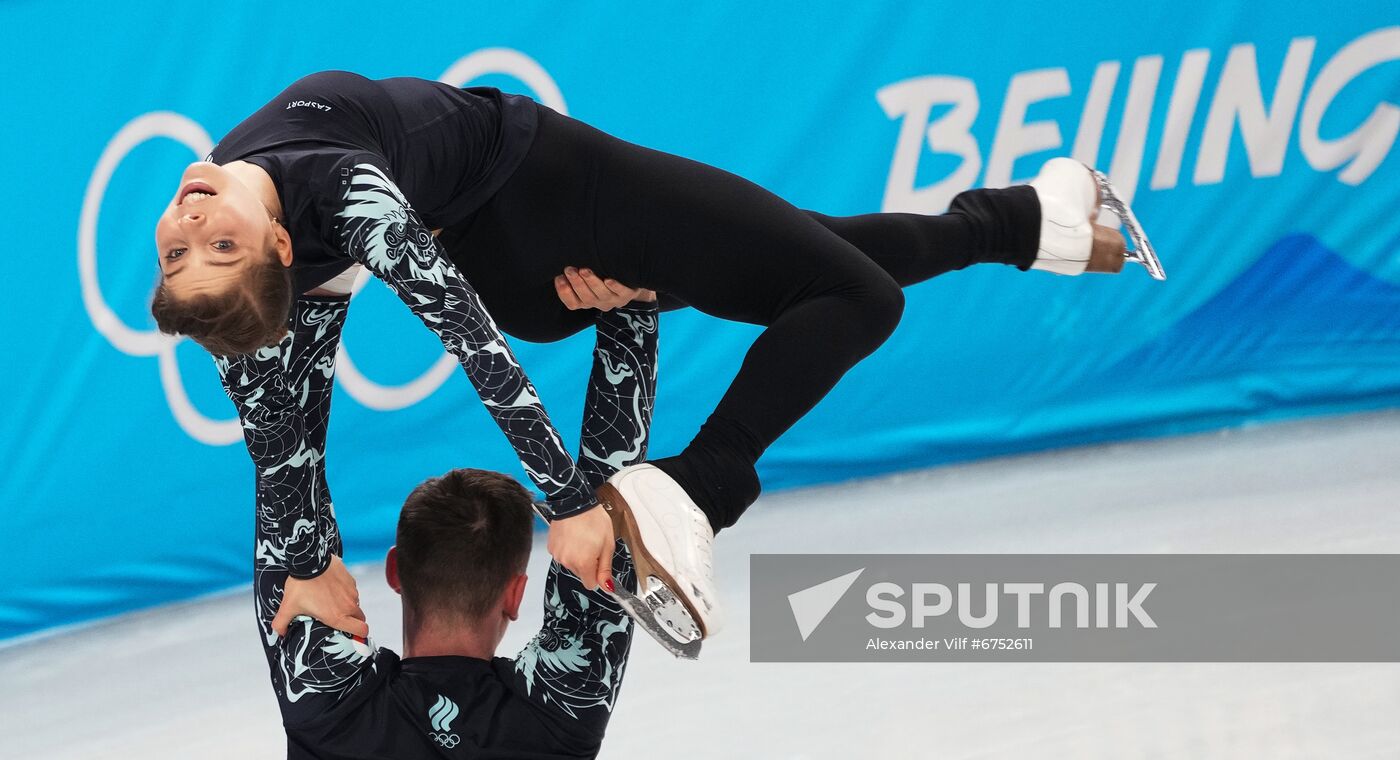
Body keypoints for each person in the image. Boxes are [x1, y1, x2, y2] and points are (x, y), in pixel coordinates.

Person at [151, 70, 1161, 646]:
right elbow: (412, 375)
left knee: (798, 253)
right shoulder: (336, 198)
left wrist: (310, 555)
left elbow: (298, 430)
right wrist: (573, 504)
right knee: (854, 295)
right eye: (212, 250)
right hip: (552, 195)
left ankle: (1031, 220)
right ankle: (697, 487)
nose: (191, 222)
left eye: (182, 245)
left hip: (525, 269)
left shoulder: (274, 230)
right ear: (279, 253)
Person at [216, 283, 659, 758]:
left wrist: (324, 289)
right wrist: (630, 311)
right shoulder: (562, 713)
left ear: (394, 571)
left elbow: (286, 474)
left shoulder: (327, 707)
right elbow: (608, 494)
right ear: (516, 594)